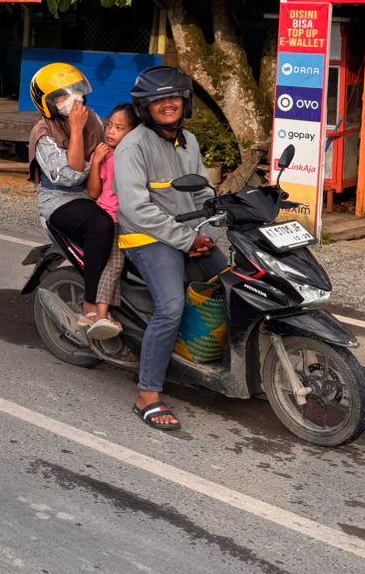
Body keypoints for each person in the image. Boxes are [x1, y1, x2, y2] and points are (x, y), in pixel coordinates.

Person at [114, 66, 228, 433]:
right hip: (146, 238)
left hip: (186, 233)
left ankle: (200, 354)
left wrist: (205, 231)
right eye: (159, 99)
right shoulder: (133, 146)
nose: (168, 104)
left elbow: (202, 194)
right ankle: (147, 393)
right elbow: (136, 208)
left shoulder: (189, 142)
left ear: (185, 102)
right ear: (146, 107)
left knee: (229, 282)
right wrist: (185, 239)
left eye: (174, 97)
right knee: (171, 306)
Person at [27, 63, 120, 340]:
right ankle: (91, 304)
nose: (73, 100)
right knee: (101, 224)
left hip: (95, 192)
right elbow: (70, 175)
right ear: (46, 103)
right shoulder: (43, 133)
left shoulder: (93, 119)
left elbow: (111, 149)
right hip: (59, 199)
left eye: (76, 92)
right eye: (61, 97)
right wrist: (77, 131)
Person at [84, 103, 138, 329]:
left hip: (131, 218)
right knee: (115, 263)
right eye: (110, 126)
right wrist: (96, 161)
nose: (111, 131)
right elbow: (94, 192)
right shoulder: (107, 155)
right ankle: (101, 315)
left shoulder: (133, 156)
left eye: (119, 127)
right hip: (113, 219)